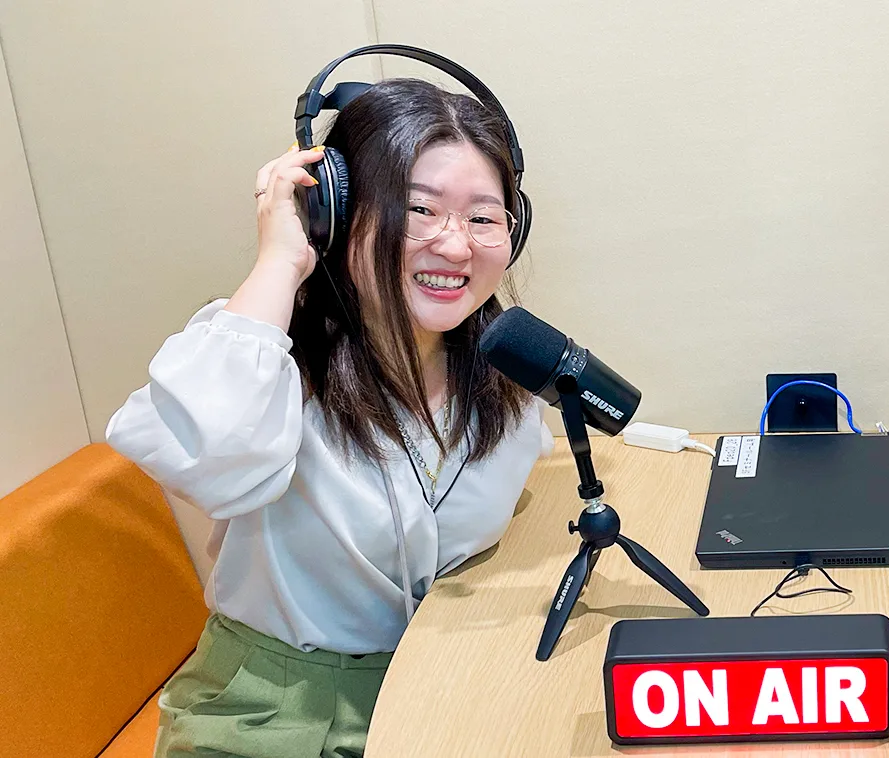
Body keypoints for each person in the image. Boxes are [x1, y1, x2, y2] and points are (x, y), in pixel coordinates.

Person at [107, 65, 554, 757]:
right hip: (272, 712)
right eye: (419, 209)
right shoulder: (266, 358)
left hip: (445, 684)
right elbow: (208, 463)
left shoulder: (500, 378)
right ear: (336, 214)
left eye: (482, 217)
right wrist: (281, 261)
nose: (455, 244)